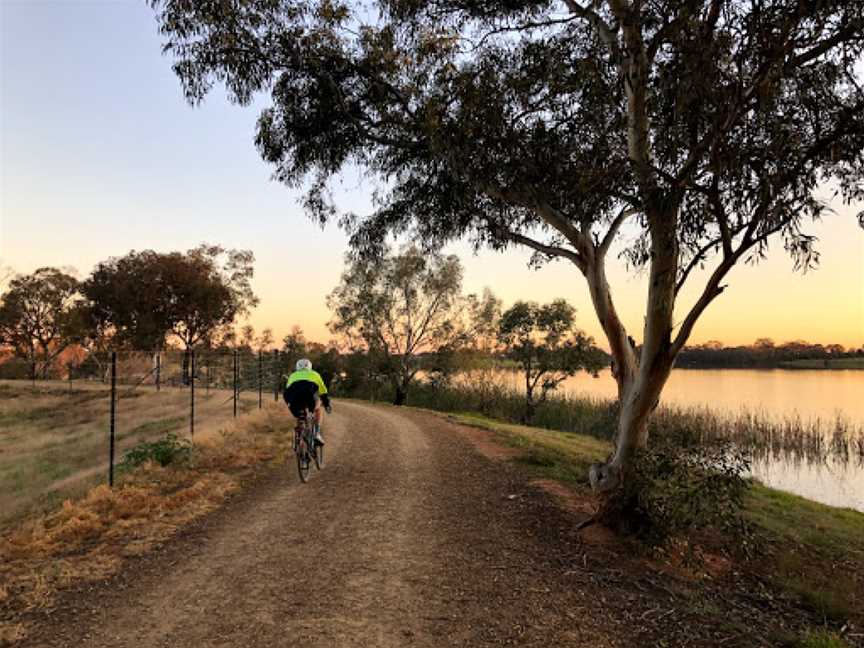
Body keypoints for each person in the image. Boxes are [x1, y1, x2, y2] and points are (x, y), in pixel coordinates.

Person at [283, 358, 332, 445]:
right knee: (318, 408)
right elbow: (323, 392)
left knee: (299, 413)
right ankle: (317, 433)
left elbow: (287, 392)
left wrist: (289, 404)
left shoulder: (293, 375)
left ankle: (299, 434)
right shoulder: (315, 374)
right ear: (310, 367)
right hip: (309, 397)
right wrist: (327, 404)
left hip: (293, 400)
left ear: (297, 367)